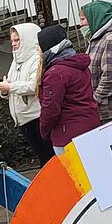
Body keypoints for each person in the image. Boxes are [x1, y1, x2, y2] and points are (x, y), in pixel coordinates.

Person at [0, 24, 54, 167]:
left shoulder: (37, 58)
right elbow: (11, 85)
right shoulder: (16, 60)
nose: (13, 44)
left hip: (36, 116)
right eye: (12, 41)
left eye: (17, 40)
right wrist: (5, 91)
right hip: (23, 119)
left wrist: (10, 87)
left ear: (27, 39)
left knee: (49, 156)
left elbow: (33, 85)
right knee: (42, 157)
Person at [37, 25, 100, 155]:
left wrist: (44, 131)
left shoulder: (56, 73)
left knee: (73, 174)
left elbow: (51, 109)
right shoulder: (78, 65)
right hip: (91, 127)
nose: (37, 50)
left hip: (68, 134)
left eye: (39, 45)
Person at [81, 1, 112, 124]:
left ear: (95, 18)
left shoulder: (110, 39)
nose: (81, 24)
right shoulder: (97, 38)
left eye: (83, 19)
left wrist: (95, 99)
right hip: (105, 108)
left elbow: (111, 76)